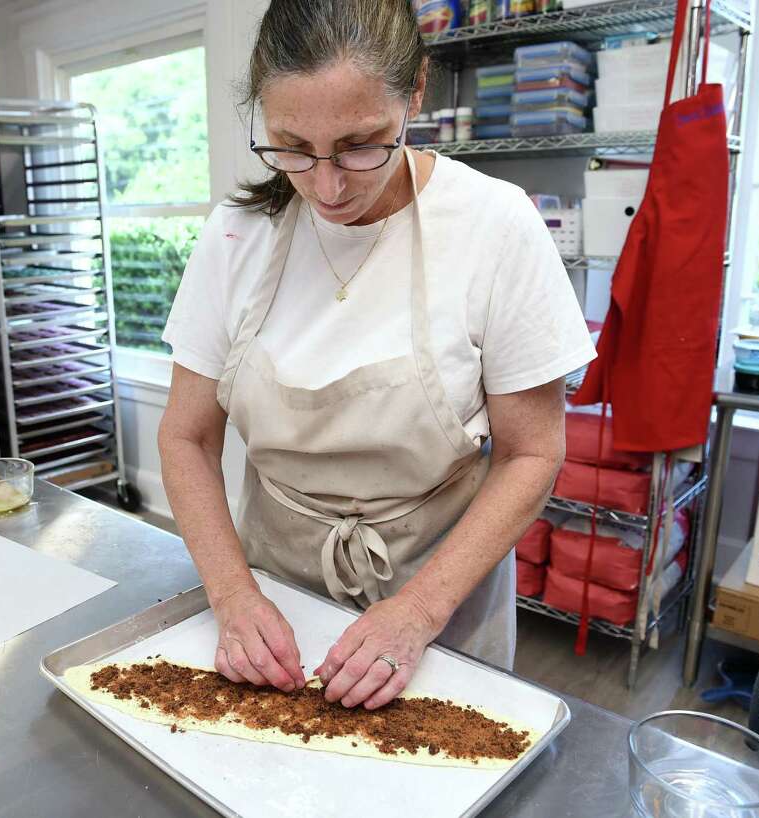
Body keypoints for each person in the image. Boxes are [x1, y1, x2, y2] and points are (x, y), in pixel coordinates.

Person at [158, 0, 595, 711]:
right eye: (292, 147)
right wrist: (233, 596)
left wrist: (418, 613)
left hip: (440, 606)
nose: (328, 188)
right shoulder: (237, 235)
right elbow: (185, 435)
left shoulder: (494, 224)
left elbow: (531, 453)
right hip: (273, 603)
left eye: (363, 144)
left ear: (415, 92)